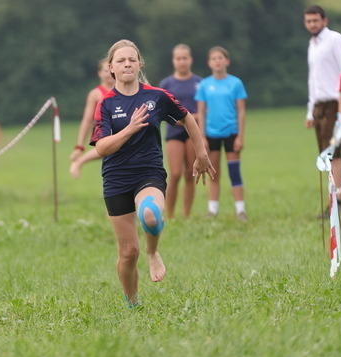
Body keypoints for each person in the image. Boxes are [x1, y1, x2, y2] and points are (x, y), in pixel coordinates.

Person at [91, 39, 213, 309]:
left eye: (131, 59)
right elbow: (101, 147)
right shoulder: (106, 103)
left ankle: (153, 251)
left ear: (139, 64)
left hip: (149, 173)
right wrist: (130, 128)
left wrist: (201, 154)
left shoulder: (157, 96)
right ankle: (133, 305)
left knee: (150, 215)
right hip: (116, 179)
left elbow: (186, 118)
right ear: (111, 68)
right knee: (127, 253)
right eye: (121, 61)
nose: (127, 64)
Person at [304, 5, 341, 214]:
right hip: (320, 106)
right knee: (327, 154)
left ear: (325, 20)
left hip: (336, 102)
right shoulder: (312, 44)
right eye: (309, 21)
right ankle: (336, 200)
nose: (312, 24)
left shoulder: (335, 40)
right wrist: (310, 110)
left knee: (336, 152)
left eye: (316, 20)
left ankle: (338, 201)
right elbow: (313, 80)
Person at [195, 46, 248, 221]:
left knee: (234, 171)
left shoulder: (236, 83)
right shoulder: (204, 85)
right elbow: (201, 112)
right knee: (214, 173)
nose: (217, 61)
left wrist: (240, 136)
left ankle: (240, 210)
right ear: (209, 63)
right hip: (211, 134)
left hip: (231, 132)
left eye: (220, 58)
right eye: (214, 58)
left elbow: (241, 110)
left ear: (227, 61)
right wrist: (202, 136)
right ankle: (212, 210)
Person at [159, 44, 202, 218]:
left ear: (190, 60)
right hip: (174, 132)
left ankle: (186, 214)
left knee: (190, 173)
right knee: (175, 173)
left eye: (185, 58)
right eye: (178, 58)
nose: (182, 62)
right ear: (173, 61)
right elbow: (162, 110)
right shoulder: (166, 84)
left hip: (193, 132)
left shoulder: (200, 83)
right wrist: (178, 119)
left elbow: (205, 111)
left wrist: (191, 118)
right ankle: (169, 214)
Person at [69, 58, 115, 178]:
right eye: (105, 71)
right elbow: (87, 120)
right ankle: (79, 162)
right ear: (99, 73)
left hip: (121, 129)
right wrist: (79, 146)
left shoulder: (123, 90)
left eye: (111, 71)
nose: (109, 74)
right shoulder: (95, 94)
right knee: (107, 146)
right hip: (104, 130)